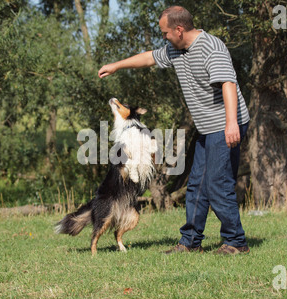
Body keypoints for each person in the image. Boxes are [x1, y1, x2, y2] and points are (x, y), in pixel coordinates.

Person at [98, 5, 250, 255]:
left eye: (165, 32)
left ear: (179, 30)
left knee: (217, 183)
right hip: (207, 127)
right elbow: (149, 57)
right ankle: (190, 241)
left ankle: (236, 242)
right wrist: (116, 65)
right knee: (197, 184)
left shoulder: (212, 47)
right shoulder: (176, 49)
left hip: (225, 124)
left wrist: (231, 123)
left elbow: (228, 84)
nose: (164, 37)